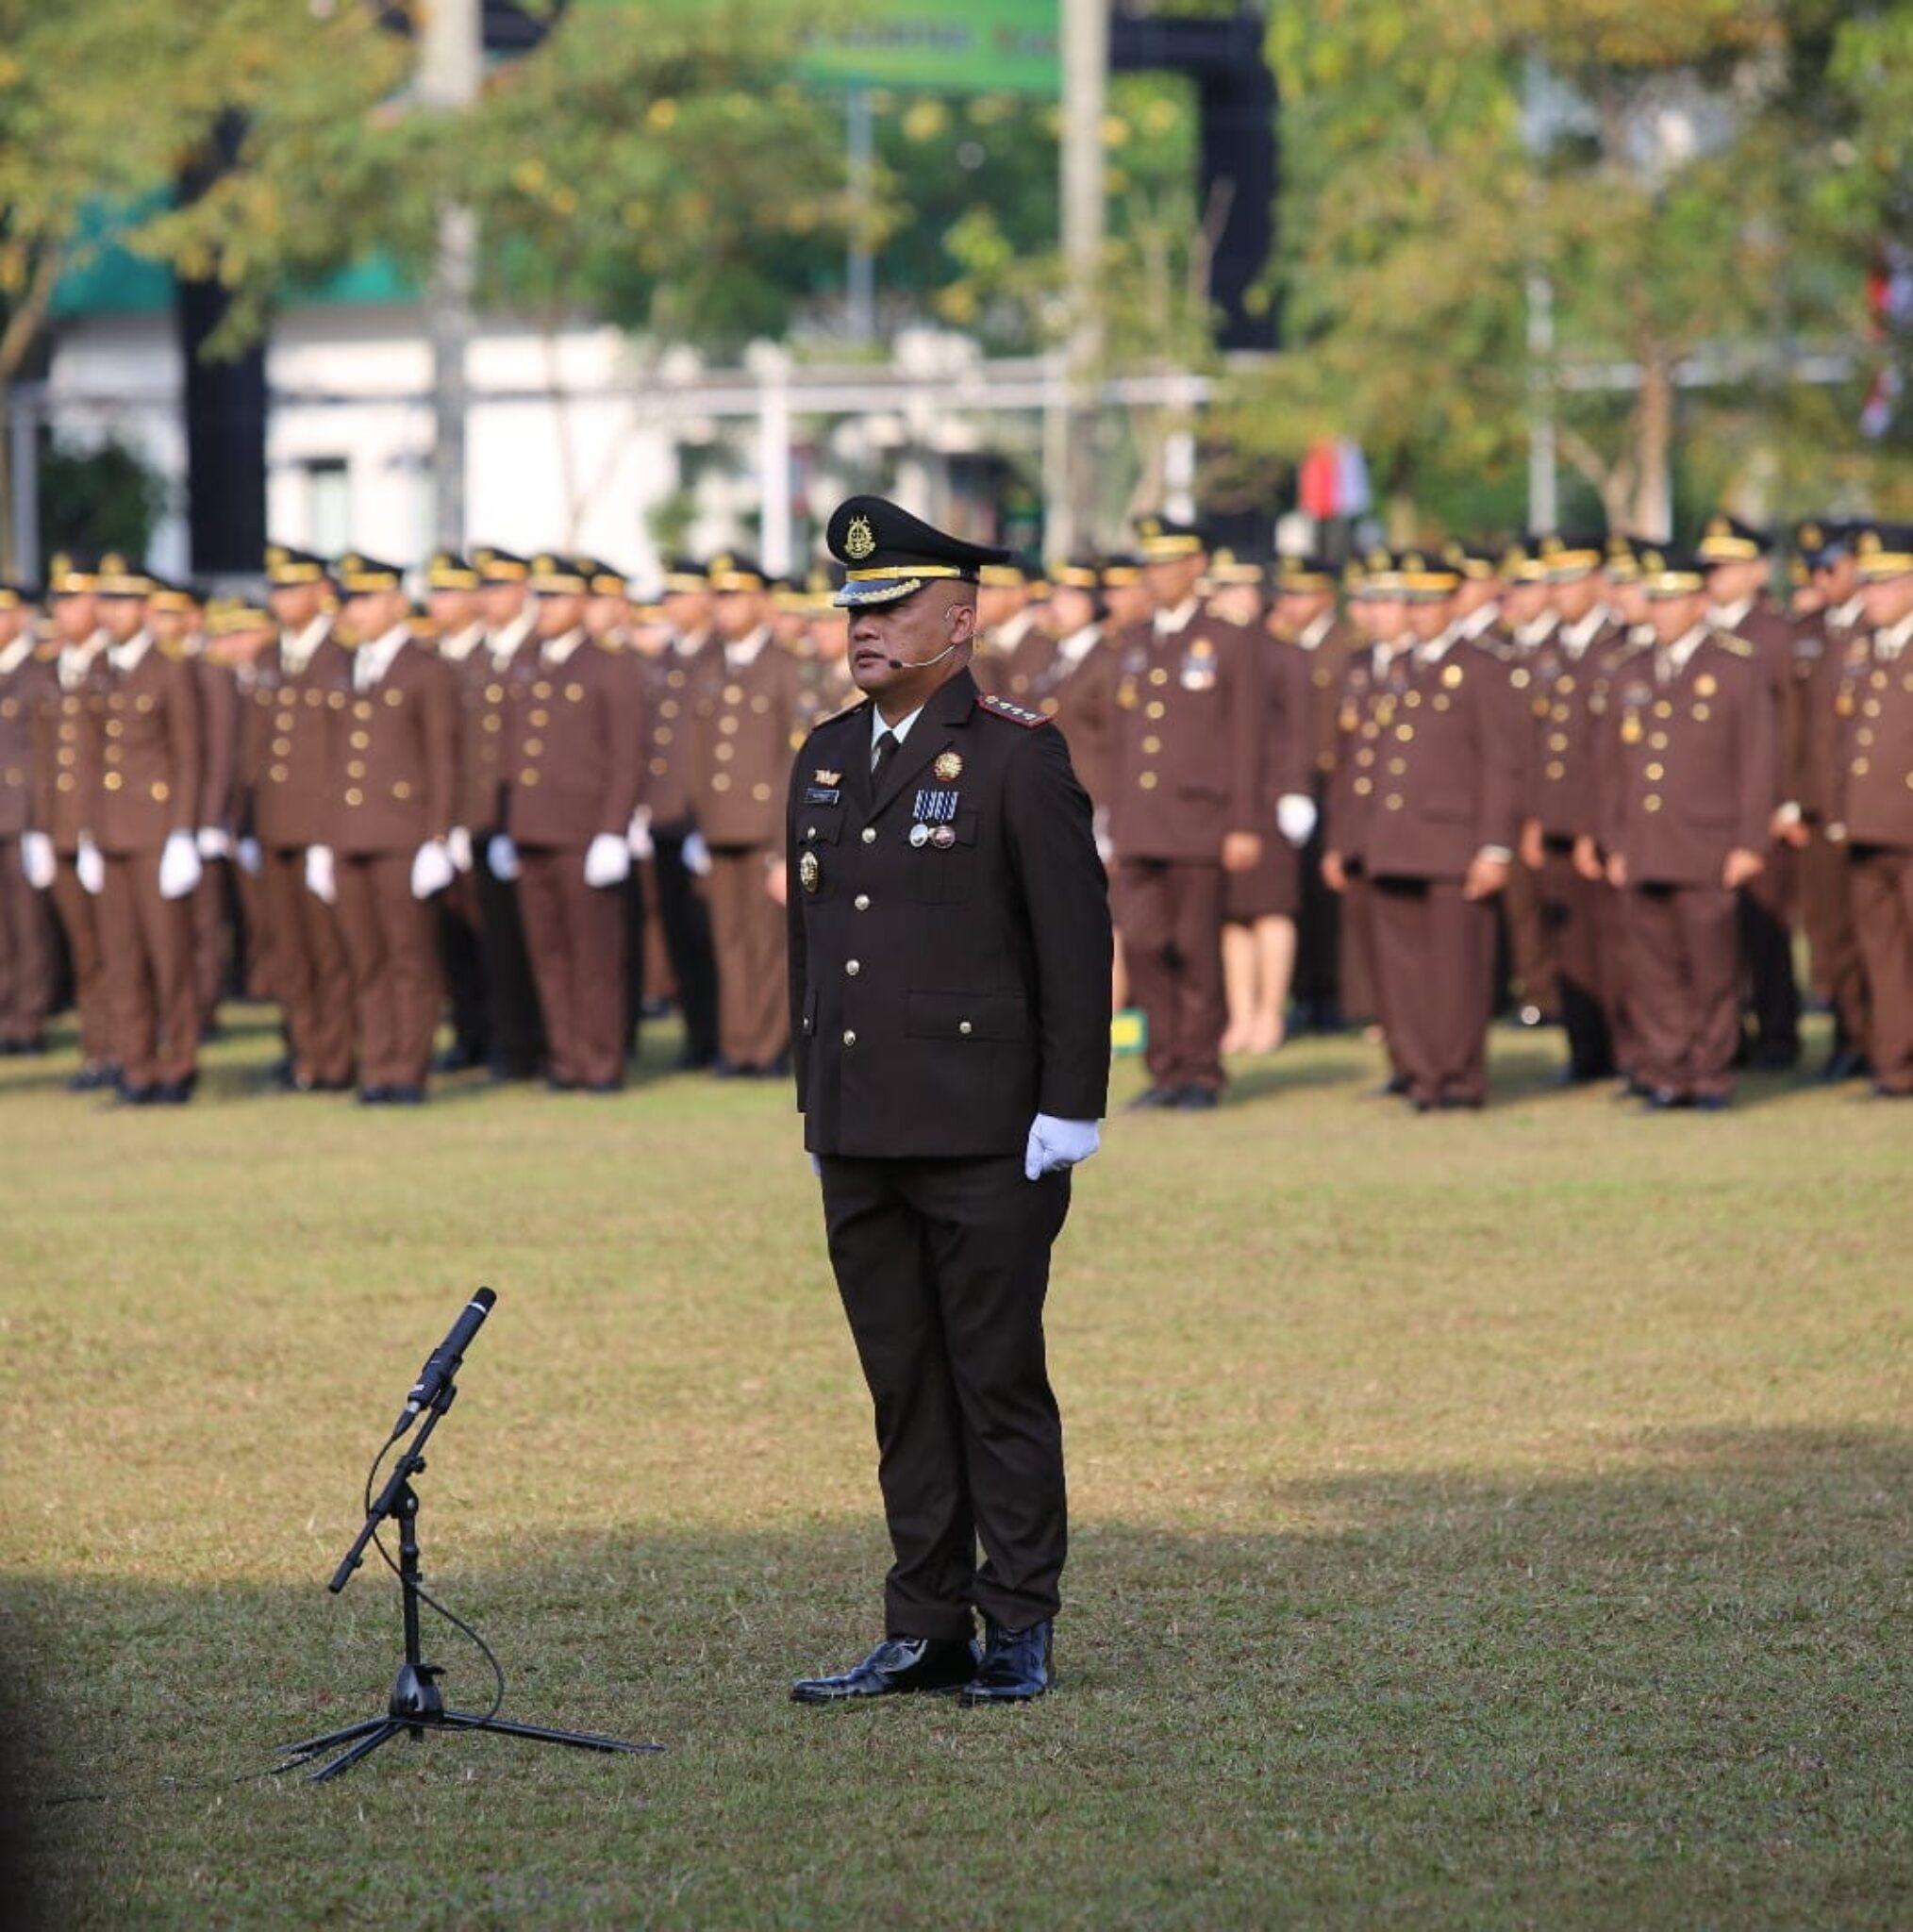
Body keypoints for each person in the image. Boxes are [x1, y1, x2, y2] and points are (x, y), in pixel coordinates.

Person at [787, 494, 1111, 1707]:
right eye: (852, 606)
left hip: (986, 1130)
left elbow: (1076, 945)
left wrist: (1069, 1106)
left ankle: (1018, 1617)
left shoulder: (1018, 753)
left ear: (961, 618)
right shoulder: (824, 755)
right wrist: (815, 1099)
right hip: (862, 1126)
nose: (863, 626)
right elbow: (811, 951)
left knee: (994, 1376)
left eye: (892, 603)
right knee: (902, 1382)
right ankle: (924, 1620)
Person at [1597, 548, 1773, 1108]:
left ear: (1700, 602)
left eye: (1675, 598)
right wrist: (1614, 840)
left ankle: (1711, 1072)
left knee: (1711, 966)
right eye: (1657, 599)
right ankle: (1667, 1071)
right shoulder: (1632, 669)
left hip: (1707, 841)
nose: (1664, 610)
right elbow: (1613, 770)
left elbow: (1757, 763)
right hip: (1646, 843)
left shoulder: (1734, 667)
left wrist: (1749, 841)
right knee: (1653, 969)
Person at [1106, 514, 1264, 1109]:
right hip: (1143, 822)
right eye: (1150, 565)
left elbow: (1247, 738)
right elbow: (1125, 739)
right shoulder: (1137, 639)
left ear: (1196, 568)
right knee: (1145, 946)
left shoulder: (1228, 638)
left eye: (1169, 564)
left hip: (1202, 819)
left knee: (1195, 947)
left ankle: (1200, 1070)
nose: (1158, 576)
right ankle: (1164, 1067)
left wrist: (1245, 821)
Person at [1355, 552, 1517, 1110]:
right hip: (1397, 841)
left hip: (1455, 843)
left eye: (1429, 602)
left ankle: (1459, 1077)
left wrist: (1495, 846)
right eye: (1412, 602)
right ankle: (1422, 1074)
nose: (1419, 613)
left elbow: (1502, 764)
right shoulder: (1396, 668)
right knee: (1404, 972)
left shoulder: (1482, 667)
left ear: (1452, 602)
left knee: (1457, 970)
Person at [494, 553, 641, 1092]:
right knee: (549, 955)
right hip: (533, 829)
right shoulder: (525, 660)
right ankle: (566, 1057)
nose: (547, 607)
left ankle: (600, 1062)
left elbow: (627, 758)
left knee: (593, 954)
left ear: (583, 601)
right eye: (542, 596)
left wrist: (612, 830)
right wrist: (510, 823)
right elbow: (512, 752)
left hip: (584, 832)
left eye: (557, 597)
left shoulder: (609, 664)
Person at [314, 553, 457, 1104]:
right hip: (350, 834)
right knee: (365, 959)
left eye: (369, 599)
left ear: (398, 603)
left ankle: (407, 1068)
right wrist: (325, 841)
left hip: (402, 836)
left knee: (408, 959)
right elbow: (331, 765)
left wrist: (438, 837)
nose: (358, 612)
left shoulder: (426, 670)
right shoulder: (344, 670)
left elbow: (443, 759)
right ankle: (377, 1065)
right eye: (351, 601)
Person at [85, 555, 204, 1105]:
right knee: (122, 957)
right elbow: (89, 759)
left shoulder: (170, 668)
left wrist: (183, 833)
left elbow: (187, 756)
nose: (112, 613)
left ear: (145, 608)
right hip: (110, 834)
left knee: (168, 956)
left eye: (123, 602)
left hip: (156, 833)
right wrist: (87, 831)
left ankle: (178, 1062)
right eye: (105, 601)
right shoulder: (97, 669)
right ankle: (136, 1066)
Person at [246, 543, 356, 1091]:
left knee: (330, 952)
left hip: (321, 828)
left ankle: (338, 1058)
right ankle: (306, 1053)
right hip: (274, 826)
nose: (282, 599)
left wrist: (333, 832)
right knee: (288, 951)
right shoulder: (268, 659)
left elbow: (348, 755)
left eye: (293, 588)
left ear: (321, 592)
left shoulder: (342, 657)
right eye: (277, 589)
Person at [690, 552, 802, 1076]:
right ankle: (736, 1045)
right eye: (719, 596)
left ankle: (769, 1045)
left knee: (767, 946)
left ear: (760, 600)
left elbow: (793, 760)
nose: (725, 607)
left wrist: (786, 845)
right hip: (718, 825)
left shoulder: (784, 665)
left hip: (764, 830)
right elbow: (695, 752)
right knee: (728, 943)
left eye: (735, 595)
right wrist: (697, 821)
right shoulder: (708, 665)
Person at [1699, 513, 1802, 1068]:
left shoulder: (1774, 633)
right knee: (1718, 931)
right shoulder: (1703, 633)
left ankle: (1779, 1032)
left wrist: (1783, 801)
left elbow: (1790, 725)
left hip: (1764, 807)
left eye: (1727, 565)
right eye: (1710, 565)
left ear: (1758, 571)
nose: (1716, 576)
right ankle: (1729, 1034)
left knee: (1767, 928)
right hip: (1711, 806)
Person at [1826, 523, 1913, 1098]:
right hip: (1866, 826)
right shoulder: (1857, 646)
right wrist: (1839, 810)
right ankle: (1895, 1065)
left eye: (1884, 583)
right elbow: (1836, 740)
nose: (1871, 595)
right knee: (1880, 955)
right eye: (1867, 583)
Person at [32, 552, 117, 1090]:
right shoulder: (52, 668)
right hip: (62, 829)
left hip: (109, 831)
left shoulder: (118, 667)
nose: (65, 611)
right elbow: (42, 759)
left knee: (121, 950)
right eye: (59, 600)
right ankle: (98, 1048)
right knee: (86, 951)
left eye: (76, 599)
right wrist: (44, 827)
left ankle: (131, 1049)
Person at [0, 579, 55, 1055]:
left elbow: (46, 753)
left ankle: (29, 1018)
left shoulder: (38, 674)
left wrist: (43, 822)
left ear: (20, 618)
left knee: (28, 924)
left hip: (24, 815)